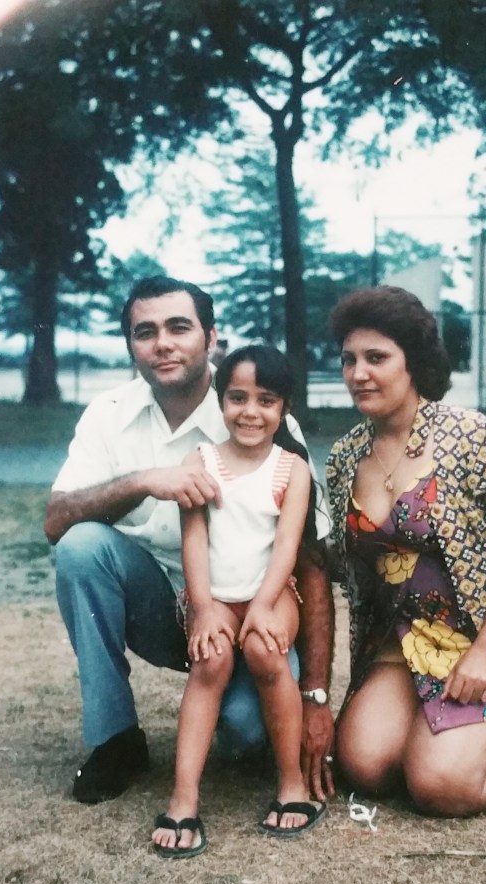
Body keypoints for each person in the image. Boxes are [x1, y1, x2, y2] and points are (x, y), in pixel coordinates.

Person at [44, 275, 335, 806]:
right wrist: (144, 482)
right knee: (81, 548)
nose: (163, 343)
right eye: (145, 331)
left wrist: (315, 695)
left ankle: (236, 710)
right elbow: (56, 520)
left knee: (251, 735)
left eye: (180, 327)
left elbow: (311, 559)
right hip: (160, 604)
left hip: (250, 611)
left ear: (211, 338)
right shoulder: (109, 415)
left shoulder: (258, 413)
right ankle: (116, 739)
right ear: (131, 344)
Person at [325, 286, 486, 817]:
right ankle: (436, 730)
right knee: (364, 767)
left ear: (413, 362)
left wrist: (485, 652)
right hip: (402, 644)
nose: (358, 374)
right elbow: (345, 565)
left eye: (377, 358)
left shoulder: (473, 438)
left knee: (439, 788)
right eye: (349, 360)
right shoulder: (346, 456)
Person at [152, 345, 327, 857]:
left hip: (272, 594)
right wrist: (204, 607)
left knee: (267, 655)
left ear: (284, 407)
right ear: (220, 400)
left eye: (266, 400)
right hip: (213, 598)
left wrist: (263, 607)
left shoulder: (291, 468)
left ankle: (291, 784)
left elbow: (287, 549)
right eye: (237, 398)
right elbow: (194, 542)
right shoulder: (200, 462)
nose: (250, 412)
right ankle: (184, 799)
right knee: (211, 662)